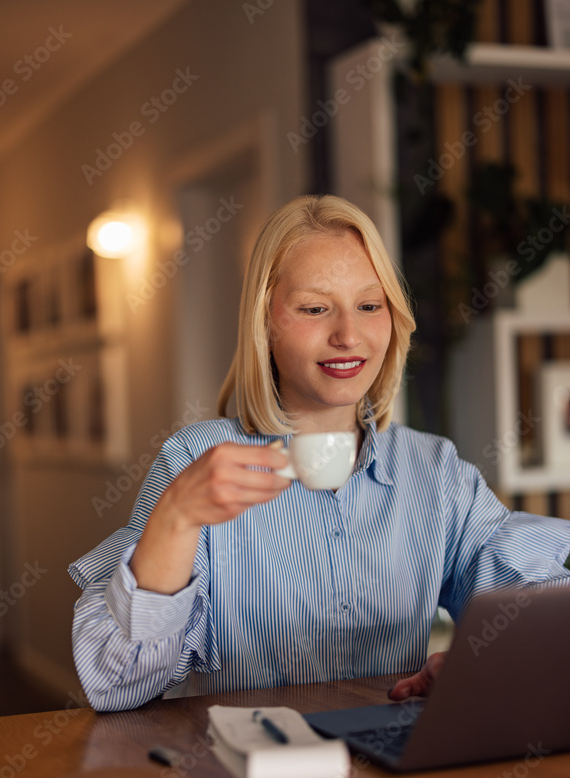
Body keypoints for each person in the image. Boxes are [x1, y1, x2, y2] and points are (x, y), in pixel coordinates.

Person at [69, 194, 570, 712]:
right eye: (314, 309)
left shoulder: (434, 471)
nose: (348, 336)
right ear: (265, 321)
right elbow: (115, 684)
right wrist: (175, 518)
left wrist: (480, 663)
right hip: (249, 773)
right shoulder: (197, 461)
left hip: (395, 774)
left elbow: (533, 601)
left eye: (370, 306)